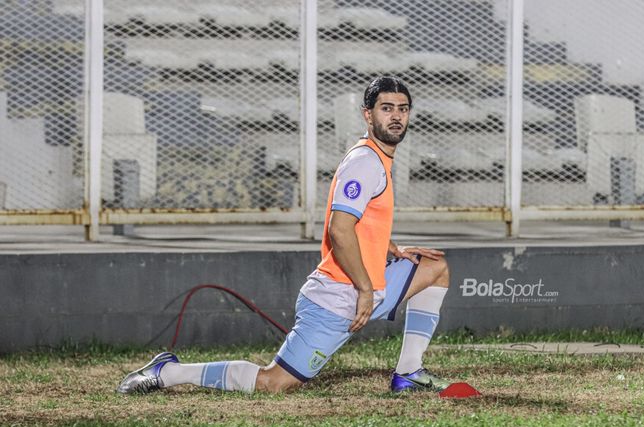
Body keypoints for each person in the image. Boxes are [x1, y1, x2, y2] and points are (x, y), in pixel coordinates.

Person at [117, 76, 452, 395]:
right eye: (386, 108)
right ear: (368, 114)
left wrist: (390, 248)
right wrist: (364, 288)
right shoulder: (365, 162)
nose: (396, 116)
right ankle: (168, 372)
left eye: (403, 109)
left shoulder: (379, 159)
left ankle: (409, 373)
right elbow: (339, 228)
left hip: (371, 286)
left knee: (435, 268)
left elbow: (362, 220)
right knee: (272, 383)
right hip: (339, 297)